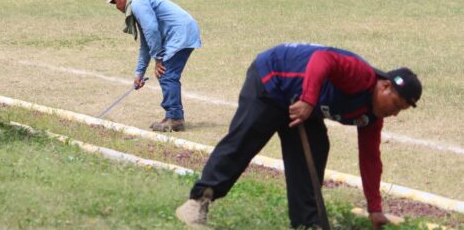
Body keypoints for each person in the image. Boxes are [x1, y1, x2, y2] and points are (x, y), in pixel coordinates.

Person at [176, 43, 422, 229]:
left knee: (313, 152)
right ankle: (198, 201)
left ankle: (307, 223)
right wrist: (308, 99)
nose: (395, 113)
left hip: (303, 102)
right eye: (396, 104)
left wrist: (375, 209)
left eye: (401, 109)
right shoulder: (361, 76)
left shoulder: (372, 117)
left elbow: (370, 160)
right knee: (246, 139)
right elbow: (322, 58)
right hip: (272, 79)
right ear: (385, 86)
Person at [108, 0, 201, 132]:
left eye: (115, 1)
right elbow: (146, 44)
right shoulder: (138, 4)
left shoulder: (138, 3)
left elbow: (151, 30)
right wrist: (139, 74)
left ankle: (175, 118)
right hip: (182, 32)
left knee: (166, 74)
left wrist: (158, 59)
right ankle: (171, 116)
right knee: (166, 73)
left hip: (180, 33)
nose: (115, 6)